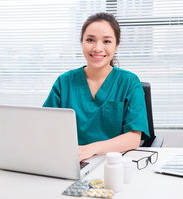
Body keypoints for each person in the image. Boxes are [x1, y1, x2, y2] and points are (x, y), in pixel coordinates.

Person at [43, 12, 149, 161]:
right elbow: (45, 127)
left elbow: (133, 139)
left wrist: (90, 149)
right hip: (71, 160)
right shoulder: (64, 82)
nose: (98, 48)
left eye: (107, 41)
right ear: (82, 43)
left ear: (116, 45)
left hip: (113, 162)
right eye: (90, 40)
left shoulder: (129, 82)